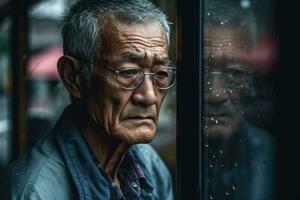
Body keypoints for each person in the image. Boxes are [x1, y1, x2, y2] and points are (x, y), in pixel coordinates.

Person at [9, 0, 175, 199]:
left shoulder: (151, 167)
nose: (148, 96)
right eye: (128, 72)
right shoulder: (35, 192)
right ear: (74, 77)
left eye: (161, 74)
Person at [202, 1, 275, 200]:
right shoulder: (162, 160)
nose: (216, 94)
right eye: (201, 73)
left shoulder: (273, 157)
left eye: (234, 73)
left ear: (251, 80)